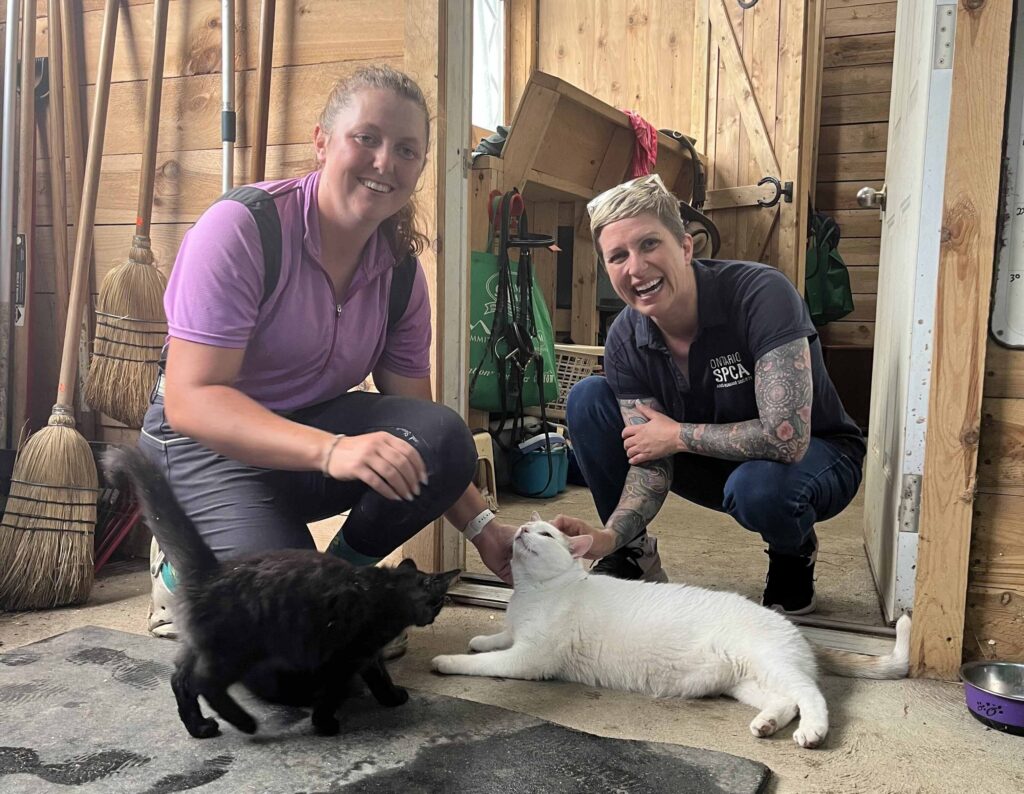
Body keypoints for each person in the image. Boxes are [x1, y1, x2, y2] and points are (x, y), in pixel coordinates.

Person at [141, 65, 515, 644]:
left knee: (442, 436)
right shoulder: (242, 231)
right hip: (201, 446)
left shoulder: (399, 276)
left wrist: (487, 530)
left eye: (407, 150)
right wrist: (333, 449)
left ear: (418, 169)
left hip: (304, 440)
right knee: (285, 632)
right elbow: (193, 400)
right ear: (322, 142)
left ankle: (348, 581)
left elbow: (426, 436)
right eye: (365, 138)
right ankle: (181, 566)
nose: (385, 162)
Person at [553, 174, 865, 615]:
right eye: (617, 256)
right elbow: (649, 461)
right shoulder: (624, 337)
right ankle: (631, 556)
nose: (635, 268)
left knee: (758, 489)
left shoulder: (761, 294)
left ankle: (792, 551)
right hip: (711, 463)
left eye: (648, 245)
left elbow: (787, 438)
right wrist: (608, 536)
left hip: (812, 458)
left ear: (685, 246)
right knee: (588, 398)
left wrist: (677, 435)